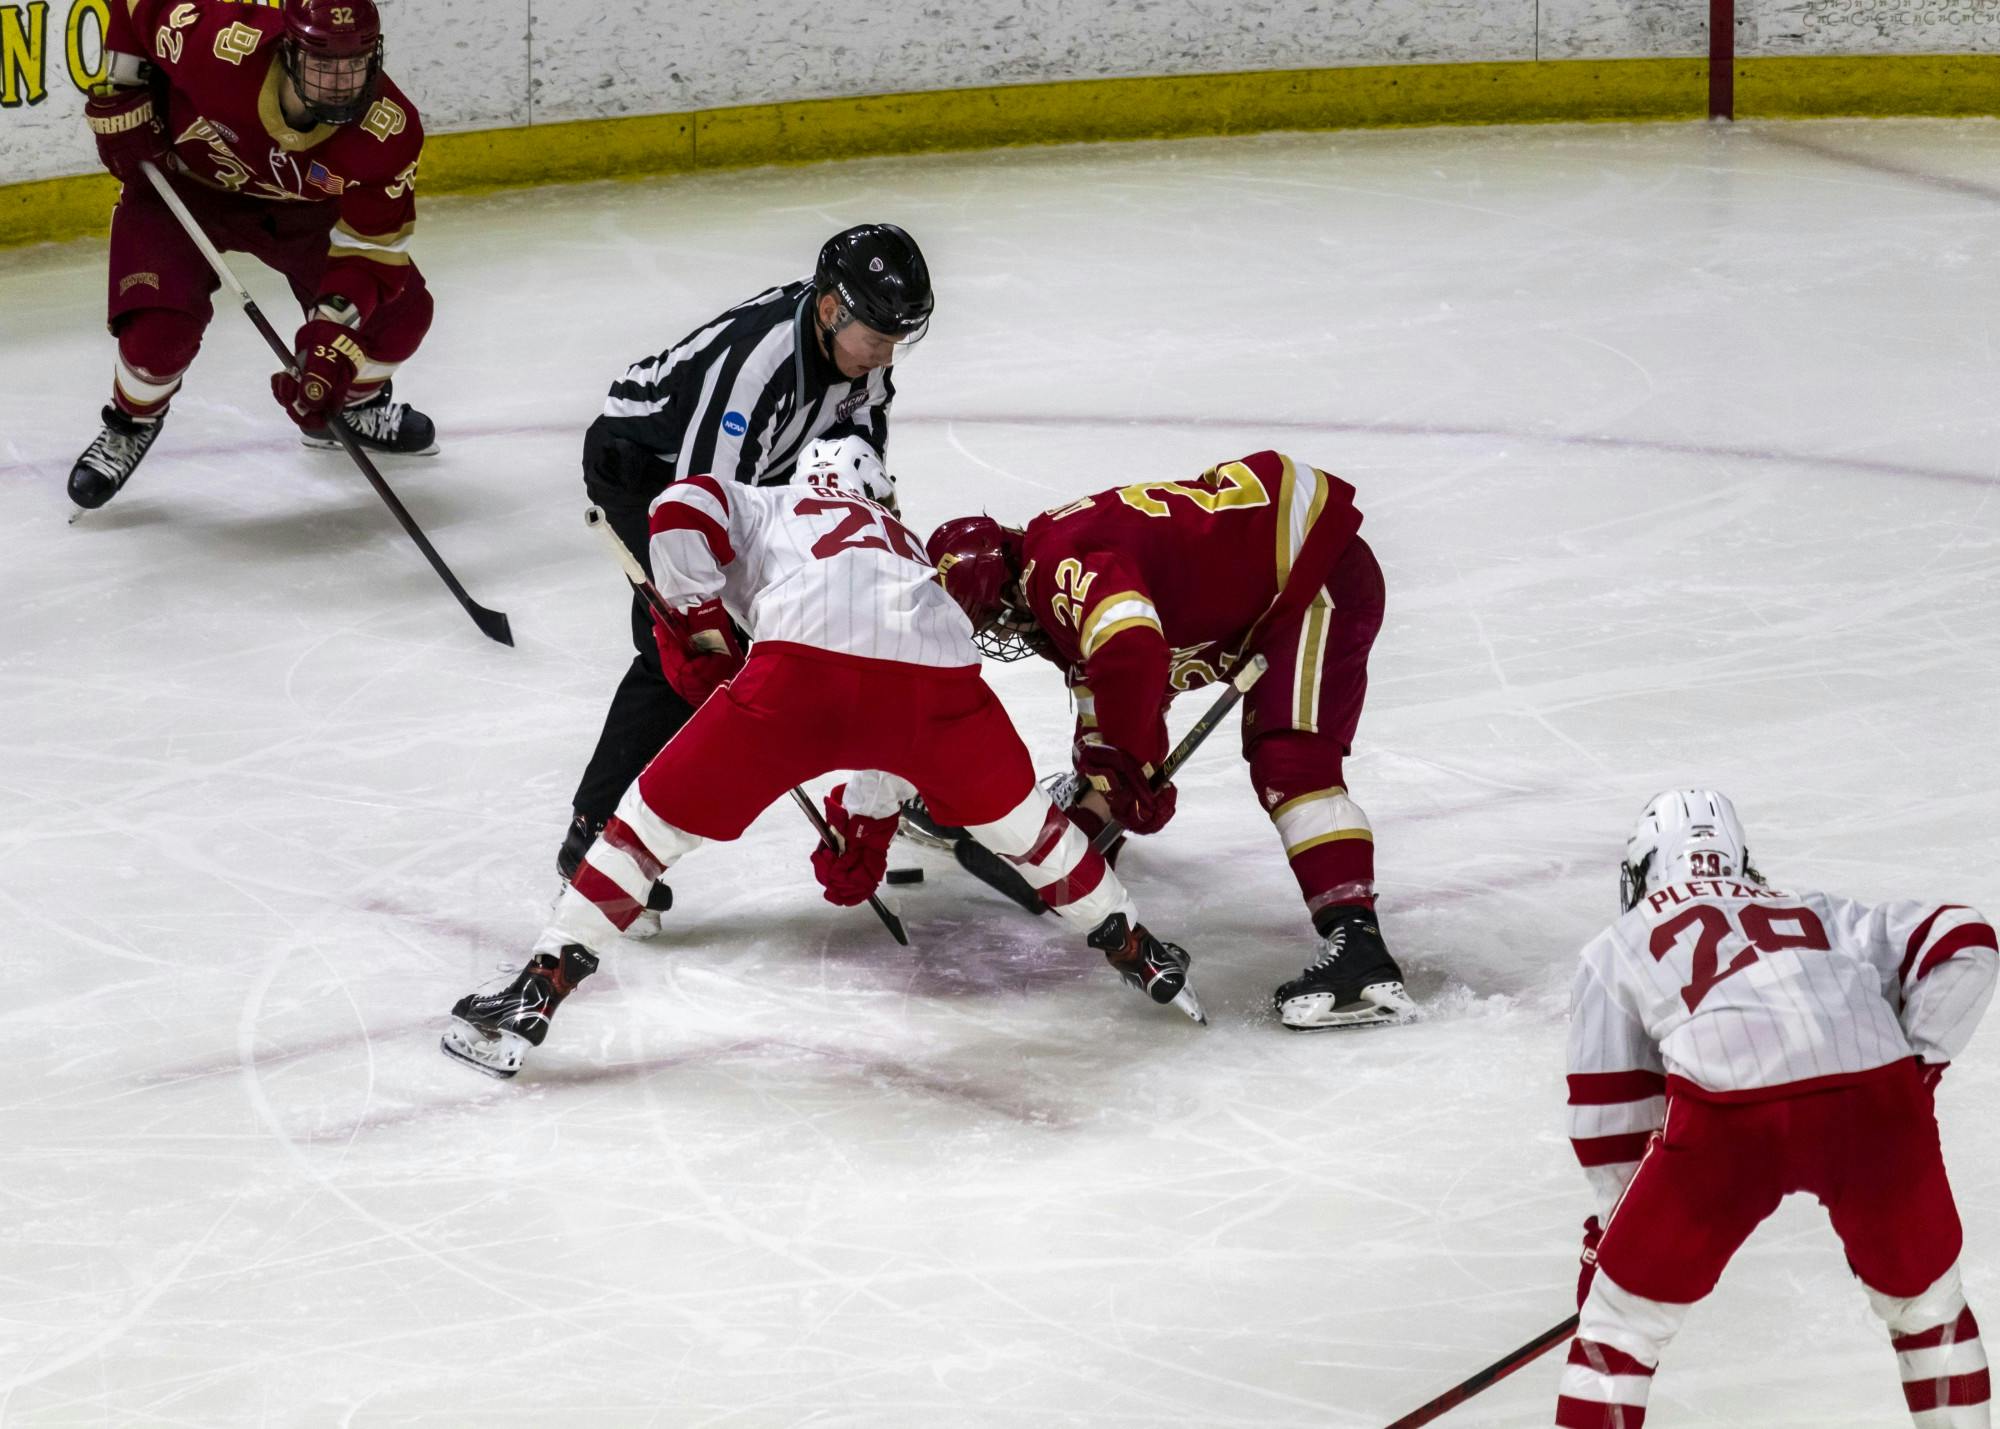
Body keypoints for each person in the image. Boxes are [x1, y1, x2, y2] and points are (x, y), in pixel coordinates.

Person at [441, 445, 1201, 1079]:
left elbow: (677, 507)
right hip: (942, 681)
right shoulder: (902, 545)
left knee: (643, 831)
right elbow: (888, 708)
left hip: (799, 663)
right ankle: (1143, 952)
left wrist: (698, 622)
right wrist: (866, 827)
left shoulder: (773, 503)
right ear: (880, 495)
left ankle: (537, 990)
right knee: (1034, 838)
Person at [921, 449, 1415, 1030]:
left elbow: (1131, 652)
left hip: (1315, 574)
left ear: (1005, 591)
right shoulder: (1056, 563)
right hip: (1283, 577)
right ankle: (1353, 940)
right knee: (1238, 760)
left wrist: (1131, 767)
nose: (1002, 633)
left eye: (994, 619)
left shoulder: (1056, 568)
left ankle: (1358, 949)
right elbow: (1109, 710)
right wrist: (1082, 835)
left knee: (1294, 765)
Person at [1559, 790, 1995, 1428]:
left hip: (1728, 1113)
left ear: (1645, 865)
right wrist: (1914, 1072)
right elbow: (1967, 940)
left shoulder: (1618, 941)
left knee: (1620, 1331)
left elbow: (1610, 1115)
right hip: (1876, 1102)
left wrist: (1614, 1242)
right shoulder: (1813, 910)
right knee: (1930, 1311)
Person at [558, 224, 932, 889]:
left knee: (853, 605)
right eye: (876, 339)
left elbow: (855, 462)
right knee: (680, 648)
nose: (884, 355)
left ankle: (891, 791)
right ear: (829, 310)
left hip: (756, 472)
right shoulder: (756, 370)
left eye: (894, 341)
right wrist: (712, 626)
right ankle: (593, 833)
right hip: (647, 470)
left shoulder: (859, 357)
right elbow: (694, 508)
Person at [68, 0, 436, 512]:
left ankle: (352, 405)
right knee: (157, 335)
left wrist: (328, 347)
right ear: (288, 51)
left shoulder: (388, 131)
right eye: (322, 63)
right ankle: (132, 421)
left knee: (402, 317)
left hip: (304, 215)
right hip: (184, 189)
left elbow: (372, 250)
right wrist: (122, 93)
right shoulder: (219, 46)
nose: (340, 82)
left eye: (355, 63)